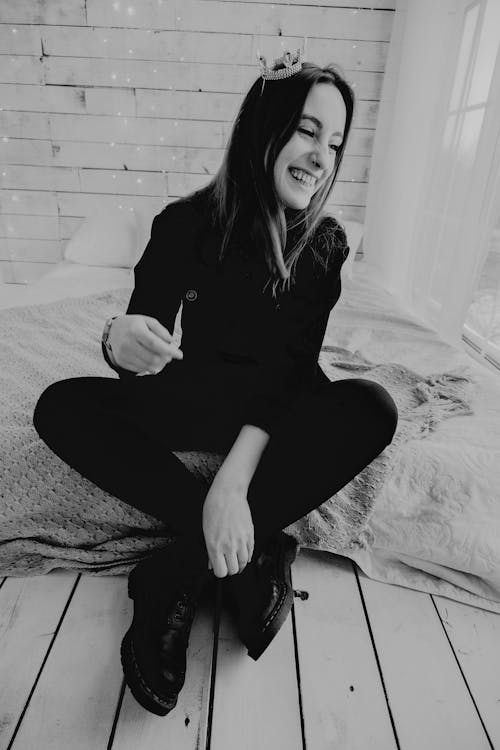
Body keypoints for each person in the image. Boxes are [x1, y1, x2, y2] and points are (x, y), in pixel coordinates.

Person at [32, 48, 399, 717]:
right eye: (308, 131)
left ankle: (175, 570)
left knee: (373, 406)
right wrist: (121, 338)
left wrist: (231, 485)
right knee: (60, 407)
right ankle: (254, 551)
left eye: (336, 143)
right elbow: (146, 325)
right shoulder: (182, 224)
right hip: (193, 397)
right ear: (265, 128)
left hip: (276, 415)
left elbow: (290, 374)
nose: (323, 156)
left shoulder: (324, 246)